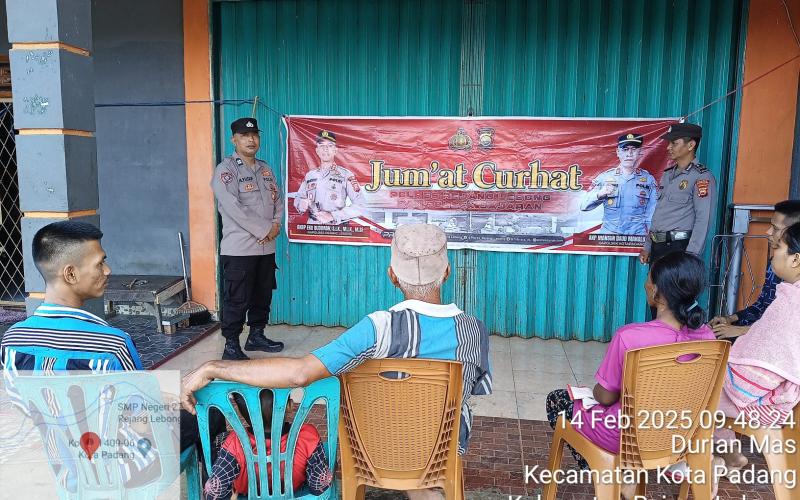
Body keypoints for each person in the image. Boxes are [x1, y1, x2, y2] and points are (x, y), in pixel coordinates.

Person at [183, 223, 492, 500]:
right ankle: (427, 487)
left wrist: (213, 367)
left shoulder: (378, 328)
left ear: (392, 275)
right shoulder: (475, 331)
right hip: (442, 450)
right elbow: (472, 390)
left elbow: (299, 374)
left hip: (373, 451)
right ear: (448, 272)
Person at [0, 222, 224, 490]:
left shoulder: (13, 341)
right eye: (100, 263)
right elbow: (142, 420)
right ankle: (216, 490)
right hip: (129, 470)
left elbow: (28, 406)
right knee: (209, 412)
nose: (108, 270)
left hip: (67, 465)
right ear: (70, 274)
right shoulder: (110, 344)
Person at [545, 251, 717, 498]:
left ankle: (612, 476)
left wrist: (593, 392)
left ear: (657, 291)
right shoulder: (707, 338)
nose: (645, 284)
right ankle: (625, 476)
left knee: (558, 399)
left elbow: (605, 397)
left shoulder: (631, 336)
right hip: (680, 435)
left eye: (649, 278)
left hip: (626, 436)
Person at [712, 222, 800, 472]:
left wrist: (723, 369)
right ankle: (728, 456)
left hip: (765, 403)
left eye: (780, 246)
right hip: (778, 395)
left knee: (691, 388)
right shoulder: (790, 295)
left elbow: (746, 384)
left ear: (796, 260)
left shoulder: (791, 305)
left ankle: (696, 465)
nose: (773, 250)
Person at [211, 117, 284, 361]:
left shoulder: (265, 169)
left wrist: (276, 225)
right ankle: (231, 344)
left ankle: (256, 335)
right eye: (244, 135)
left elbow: (278, 199)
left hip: (266, 248)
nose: (250, 139)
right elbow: (233, 208)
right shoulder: (226, 171)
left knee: (262, 294)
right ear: (234, 140)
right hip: (240, 249)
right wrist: (265, 229)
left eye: (254, 135)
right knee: (237, 298)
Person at [204, 390, 332, 499]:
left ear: (243, 412)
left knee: (220, 440)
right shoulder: (307, 436)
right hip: (294, 489)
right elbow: (318, 486)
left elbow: (214, 493)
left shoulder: (234, 442)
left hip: (248, 493)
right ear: (290, 406)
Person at [709, 199, 800, 340]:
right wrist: (730, 319)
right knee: (710, 333)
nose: (768, 232)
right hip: (756, 330)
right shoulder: (776, 264)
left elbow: (786, 331)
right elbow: (762, 305)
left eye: (775, 228)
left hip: (768, 340)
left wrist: (741, 331)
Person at [639, 122, 715, 265]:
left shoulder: (701, 177)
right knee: (653, 287)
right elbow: (659, 214)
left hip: (679, 248)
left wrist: (691, 256)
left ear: (691, 145)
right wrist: (648, 247)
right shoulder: (668, 175)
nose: (668, 147)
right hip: (658, 247)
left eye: (674, 143)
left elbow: (703, 220)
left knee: (668, 288)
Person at [580, 133, 658, 235]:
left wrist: (651, 240)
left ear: (640, 152)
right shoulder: (604, 178)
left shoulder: (648, 180)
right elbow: (584, 206)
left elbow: (653, 213)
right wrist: (600, 194)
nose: (629, 154)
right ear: (618, 152)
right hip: (609, 237)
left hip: (637, 237)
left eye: (634, 149)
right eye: (625, 149)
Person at [293, 130, 366, 225]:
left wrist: (333, 215)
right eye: (322, 146)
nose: (325, 149)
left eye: (330, 146)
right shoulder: (310, 175)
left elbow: (361, 205)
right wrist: (300, 203)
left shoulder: (346, 175)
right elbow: (299, 198)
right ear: (317, 151)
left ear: (335, 150)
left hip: (336, 228)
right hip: (312, 227)